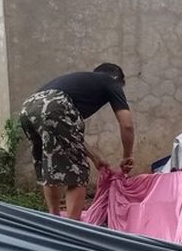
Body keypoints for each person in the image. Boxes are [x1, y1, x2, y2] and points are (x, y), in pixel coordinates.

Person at [19, 63, 136, 219]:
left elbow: (69, 133)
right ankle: (72, 229)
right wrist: (127, 155)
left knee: (50, 165)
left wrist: (95, 157)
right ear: (118, 79)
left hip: (29, 107)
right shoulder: (111, 81)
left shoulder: (80, 83)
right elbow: (127, 125)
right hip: (56, 105)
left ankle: (54, 218)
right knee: (78, 172)